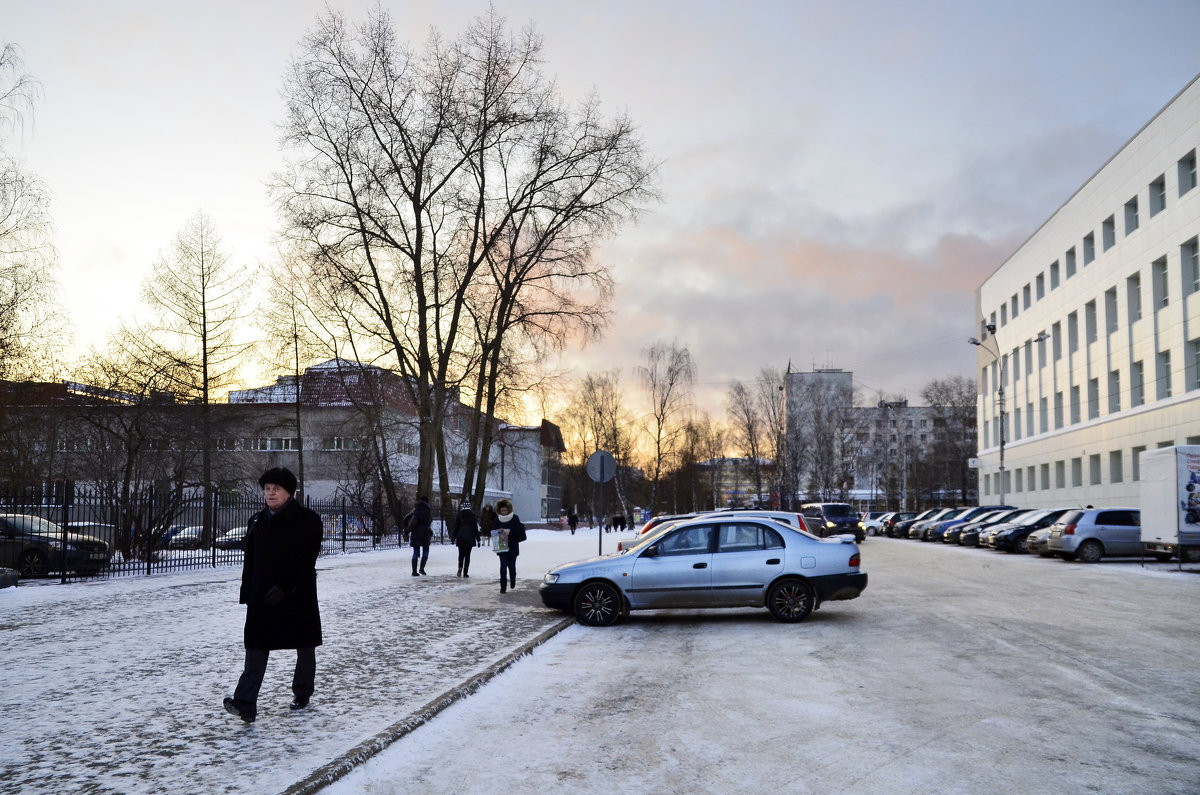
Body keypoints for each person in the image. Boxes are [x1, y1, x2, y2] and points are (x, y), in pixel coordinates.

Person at [223, 467, 323, 724]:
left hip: (296, 595)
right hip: (262, 597)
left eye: (276, 489)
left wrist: (285, 586)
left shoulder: (308, 520)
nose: (270, 493)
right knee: (255, 646)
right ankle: (245, 703)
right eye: (267, 489)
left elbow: (306, 559)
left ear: (289, 492)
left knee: (304, 644)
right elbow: (250, 560)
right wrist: (247, 591)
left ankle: (302, 693)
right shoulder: (257, 520)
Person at [493, 497, 526, 594]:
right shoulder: (497, 520)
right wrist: (499, 532)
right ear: (499, 510)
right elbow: (494, 531)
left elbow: (519, 530)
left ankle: (513, 580)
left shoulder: (514, 518)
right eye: (502, 510)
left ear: (508, 510)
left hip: (513, 546)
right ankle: (503, 587)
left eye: (505, 510)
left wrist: (510, 531)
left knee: (512, 567)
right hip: (502, 546)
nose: (503, 512)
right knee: (503, 568)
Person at [405, 496, 433, 576]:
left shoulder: (415, 510)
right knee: (426, 551)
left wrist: (407, 530)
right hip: (425, 533)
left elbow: (407, 519)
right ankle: (422, 569)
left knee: (416, 552)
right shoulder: (428, 511)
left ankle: (414, 571)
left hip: (416, 533)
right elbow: (430, 520)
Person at [452, 500, 479, 577]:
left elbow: (456, 528)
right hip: (470, 538)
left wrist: (453, 538)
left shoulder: (459, 516)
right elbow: (475, 528)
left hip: (460, 538)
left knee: (461, 554)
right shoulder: (472, 516)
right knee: (467, 555)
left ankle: (460, 567)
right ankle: (465, 572)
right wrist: (478, 539)